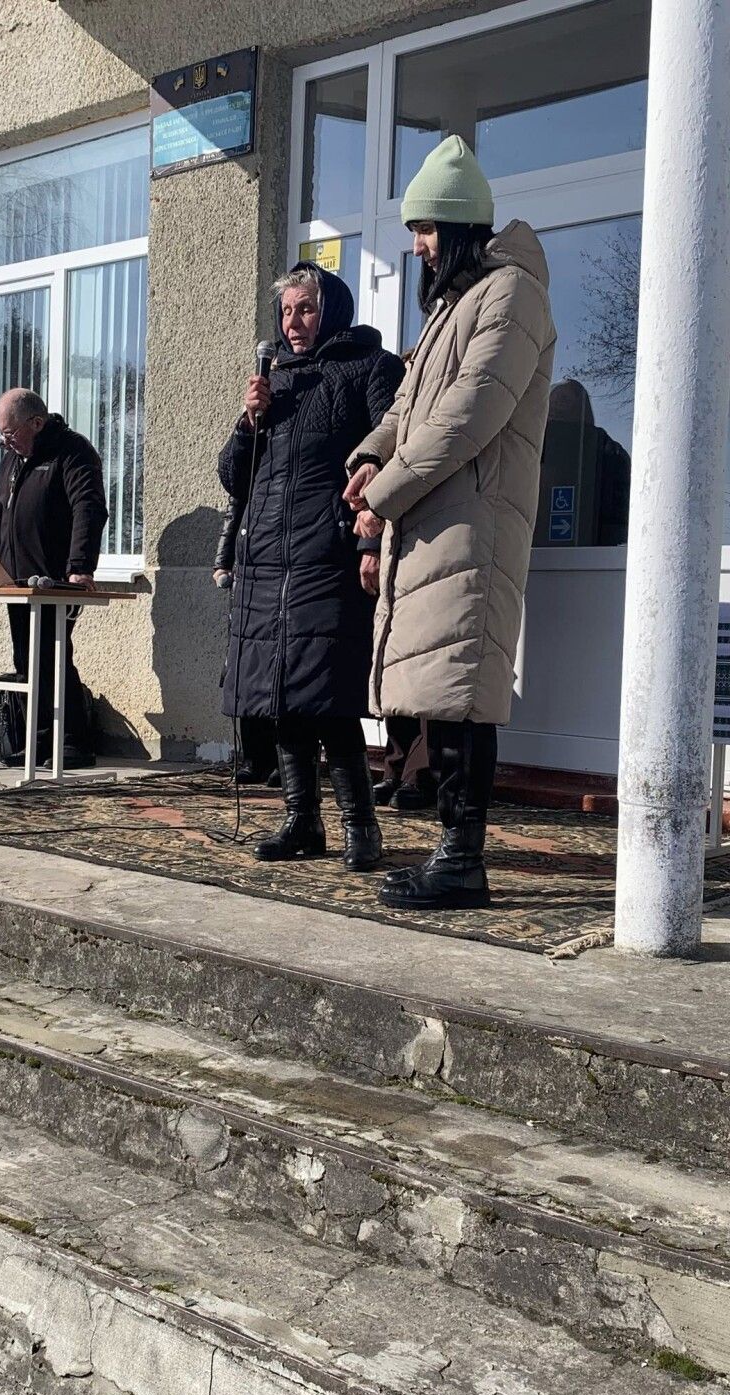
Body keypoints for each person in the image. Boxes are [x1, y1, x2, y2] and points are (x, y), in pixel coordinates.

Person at [344, 135, 556, 910]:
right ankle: (450, 852)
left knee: (464, 694)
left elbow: (470, 415)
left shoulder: (512, 295)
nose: (417, 245)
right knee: (442, 695)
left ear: (462, 225)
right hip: (435, 521)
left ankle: (463, 861)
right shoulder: (454, 305)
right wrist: (371, 457)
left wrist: (386, 492)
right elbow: (408, 406)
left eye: (427, 228)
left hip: (474, 527)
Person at [218, 262, 403, 870]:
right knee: (280, 697)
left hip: (327, 558)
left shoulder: (370, 367)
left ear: (333, 310)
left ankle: (360, 826)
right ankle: (302, 821)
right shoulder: (275, 382)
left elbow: (391, 451)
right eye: (287, 311)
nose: (294, 322)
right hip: (267, 563)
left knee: (329, 697)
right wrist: (248, 422)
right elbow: (234, 477)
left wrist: (370, 541)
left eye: (306, 309)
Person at [0, 388, 107, 770]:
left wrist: (80, 566)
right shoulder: (13, 460)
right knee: (25, 659)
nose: (5, 442)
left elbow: (88, 508)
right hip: (15, 581)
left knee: (52, 655)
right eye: (0, 434)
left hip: (55, 581)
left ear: (36, 423)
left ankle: (73, 742)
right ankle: (37, 741)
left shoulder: (72, 451)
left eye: (9, 433)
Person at [213, 494, 279, 786]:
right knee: (245, 670)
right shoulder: (254, 469)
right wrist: (222, 561)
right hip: (249, 568)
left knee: (278, 668)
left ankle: (282, 760)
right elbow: (235, 505)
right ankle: (254, 758)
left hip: (286, 563)